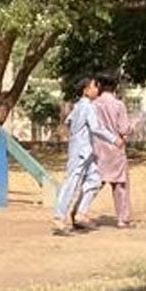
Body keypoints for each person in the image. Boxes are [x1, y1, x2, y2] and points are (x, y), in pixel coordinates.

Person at [52, 75, 122, 234]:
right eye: (94, 86)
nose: (97, 89)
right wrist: (113, 139)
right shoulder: (87, 107)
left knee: (95, 180)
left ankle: (80, 214)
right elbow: (96, 128)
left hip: (86, 150)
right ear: (86, 90)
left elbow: (69, 121)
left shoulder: (79, 106)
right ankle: (58, 216)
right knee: (72, 183)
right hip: (81, 151)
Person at [92, 72, 133, 228]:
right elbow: (124, 128)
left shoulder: (94, 104)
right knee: (120, 185)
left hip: (97, 148)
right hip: (116, 147)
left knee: (94, 183)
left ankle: (79, 210)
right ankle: (123, 219)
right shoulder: (118, 105)